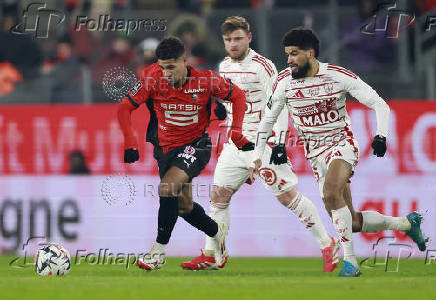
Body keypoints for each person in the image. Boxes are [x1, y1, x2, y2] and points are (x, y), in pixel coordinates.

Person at [249, 28, 428, 277]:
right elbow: (268, 120)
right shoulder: (283, 82)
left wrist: (381, 135)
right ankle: (407, 223)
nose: (288, 60)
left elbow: (379, 103)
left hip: (341, 145)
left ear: (310, 54)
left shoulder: (337, 76)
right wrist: (261, 152)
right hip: (314, 155)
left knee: (331, 191)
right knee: (351, 221)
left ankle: (350, 263)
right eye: (287, 55)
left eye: (293, 54)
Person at [181, 16, 339, 272]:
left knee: (287, 196)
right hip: (235, 142)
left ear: (249, 38)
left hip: (262, 142)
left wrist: (278, 144)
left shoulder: (262, 67)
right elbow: (231, 97)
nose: (233, 44)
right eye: (228, 40)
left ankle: (327, 242)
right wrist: (220, 108)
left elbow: (279, 102)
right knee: (218, 196)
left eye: (238, 39)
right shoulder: (224, 66)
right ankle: (213, 254)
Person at [117, 36, 253, 270]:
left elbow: (238, 96)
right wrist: (131, 142)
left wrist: (236, 131)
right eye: (162, 67)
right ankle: (216, 233)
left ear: (185, 61)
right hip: (164, 149)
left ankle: (157, 253)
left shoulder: (206, 80)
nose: (166, 73)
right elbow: (124, 108)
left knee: (167, 187)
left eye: (171, 67)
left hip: (196, 145)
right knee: (183, 207)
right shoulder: (152, 78)